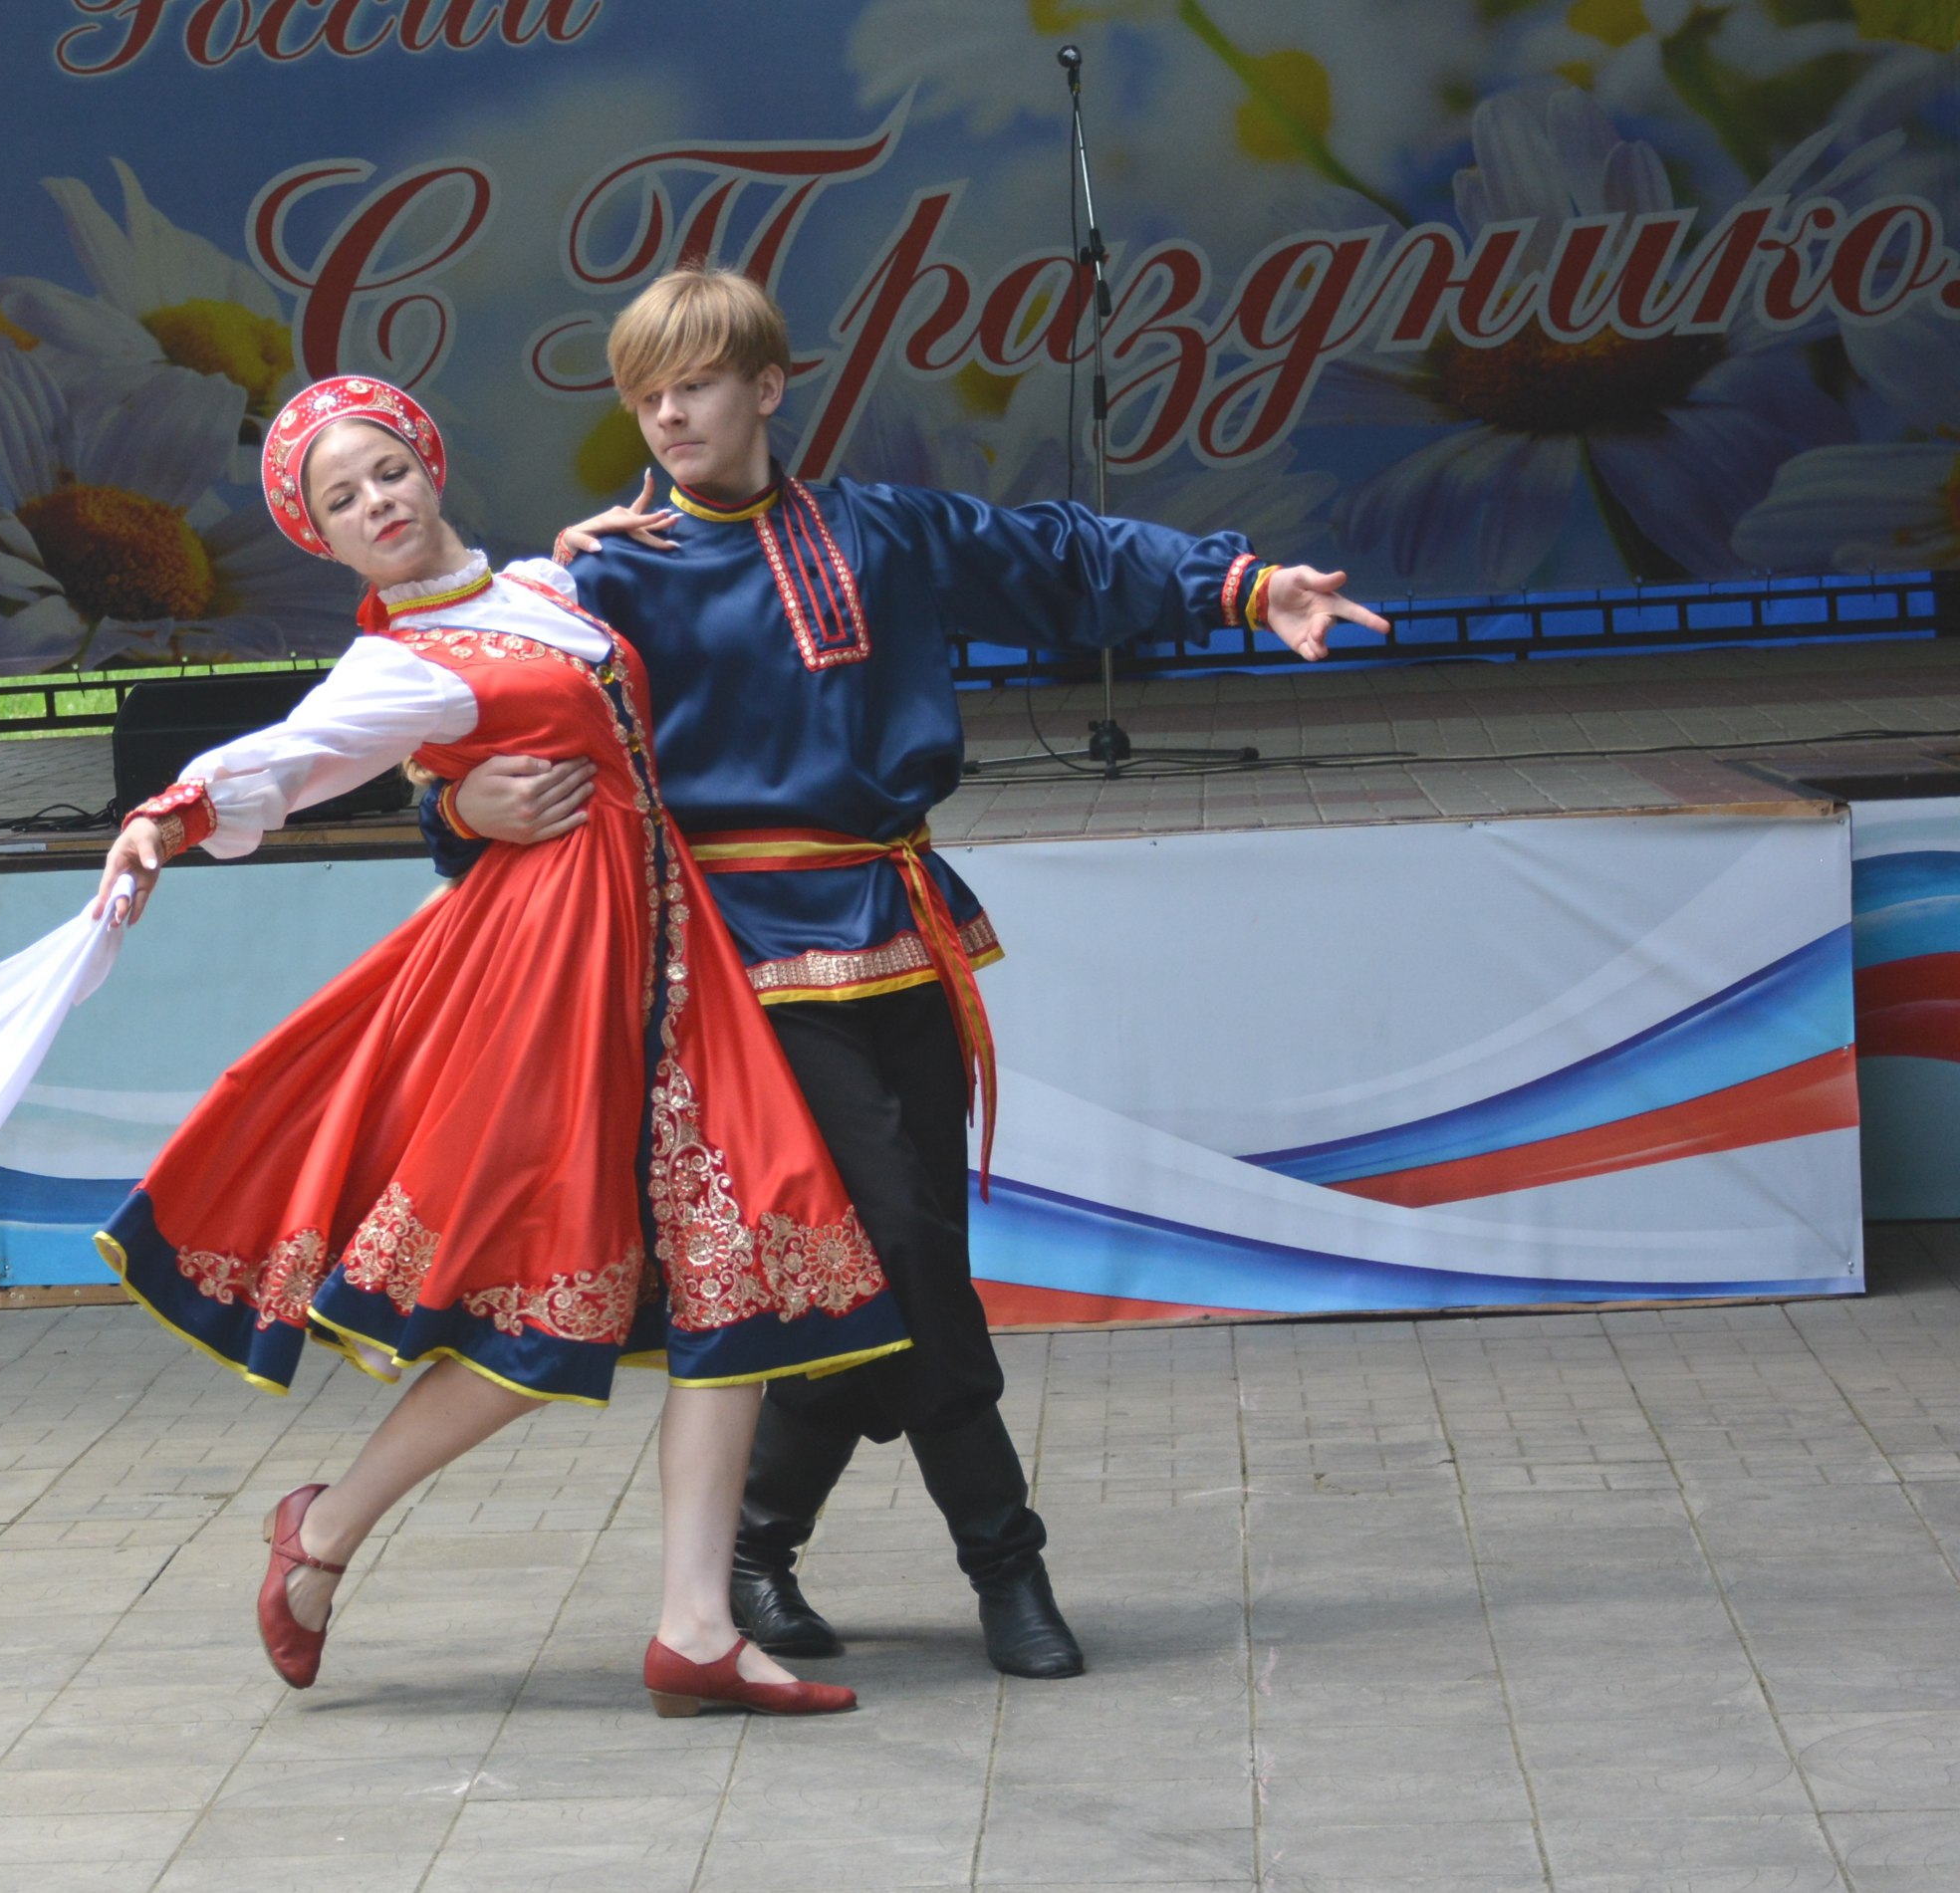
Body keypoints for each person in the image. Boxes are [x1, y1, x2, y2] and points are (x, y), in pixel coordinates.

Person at [427, 266, 1389, 1681]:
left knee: (888, 1260)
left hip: (900, 928)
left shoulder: (879, 530)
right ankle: (1007, 1563)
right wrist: (458, 808)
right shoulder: (601, 577)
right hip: (741, 967)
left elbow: (1062, 559)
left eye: (696, 384)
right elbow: (464, 729)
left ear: (767, 387)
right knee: (911, 1250)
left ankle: (759, 1543)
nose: (670, 414)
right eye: (646, 395)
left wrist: (1243, 587)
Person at [89, 373, 911, 1719]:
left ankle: (695, 1629)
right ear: (323, 540)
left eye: (387, 472)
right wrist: (167, 817)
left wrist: (578, 553)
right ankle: (327, 1526)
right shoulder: (395, 664)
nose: (376, 504)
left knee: (744, 1265)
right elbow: (294, 755)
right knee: (549, 1290)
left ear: (430, 465)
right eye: (341, 501)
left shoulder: (542, 584)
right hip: (556, 973)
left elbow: (565, 626)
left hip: (671, 958)